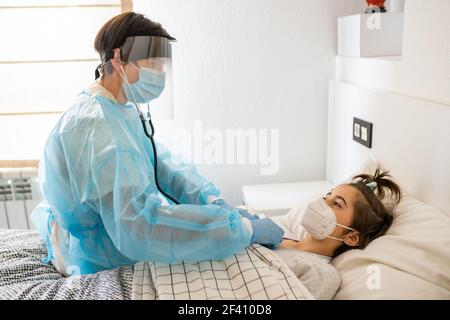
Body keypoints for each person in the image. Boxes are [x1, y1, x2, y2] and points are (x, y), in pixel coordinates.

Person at [31, 12, 283, 275]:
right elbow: (140, 227)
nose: (160, 74)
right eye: (154, 65)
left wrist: (212, 199)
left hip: (108, 233)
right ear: (119, 59)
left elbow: (157, 163)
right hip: (97, 254)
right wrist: (240, 229)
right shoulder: (98, 127)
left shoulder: (115, 106)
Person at [271, 168, 402, 299]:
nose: (322, 201)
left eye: (337, 204)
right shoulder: (277, 235)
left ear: (351, 237)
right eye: (328, 195)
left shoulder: (322, 274)